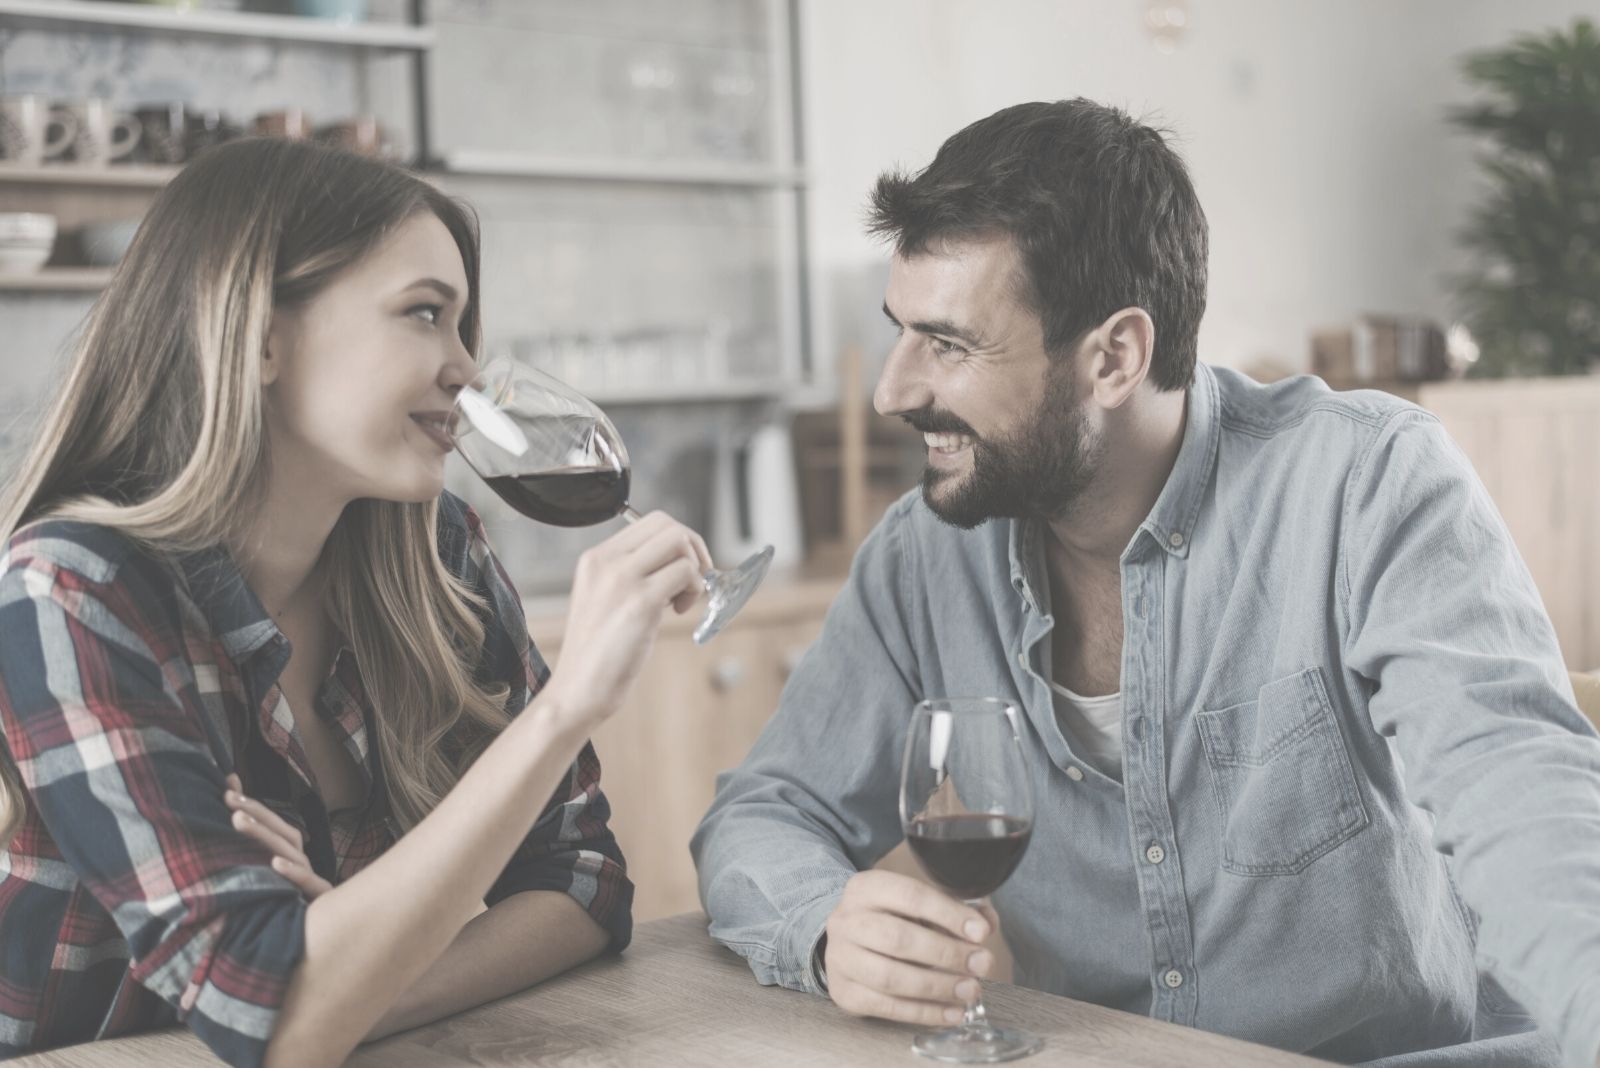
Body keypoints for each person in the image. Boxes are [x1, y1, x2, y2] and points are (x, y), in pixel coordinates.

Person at [692, 98, 1600, 1068]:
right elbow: (762, 815)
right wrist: (827, 928)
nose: (893, 390)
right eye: (900, 333)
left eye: (948, 345)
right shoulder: (924, 557)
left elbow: (1526, 807)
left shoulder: (1364, 484)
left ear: (1115, 357)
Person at [0, 138, 712, 1067]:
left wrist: (344, 978)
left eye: (465, 328)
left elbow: (583, 887)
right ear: (259, 336)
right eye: (425, 315)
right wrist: (567, 704)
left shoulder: (435, 555)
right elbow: (283, 1021)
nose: (466, 367)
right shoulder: (75, 591)